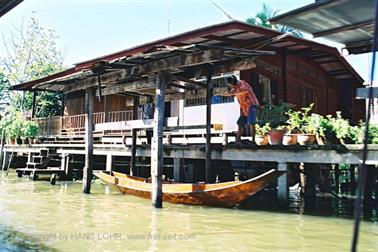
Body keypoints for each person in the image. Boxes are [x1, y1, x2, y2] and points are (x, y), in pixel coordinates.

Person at [226, 75, 260, 144]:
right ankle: (238, 140)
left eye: (229, 84)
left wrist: (234, 93)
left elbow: (245, 90)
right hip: (245, 107)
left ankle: (253, 141)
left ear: (232, 82)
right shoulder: (235, 88)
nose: (229, 86)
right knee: (240, 123)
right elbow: (231, 93)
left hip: (251, 105)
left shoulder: (242, 83)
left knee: (251, 123)